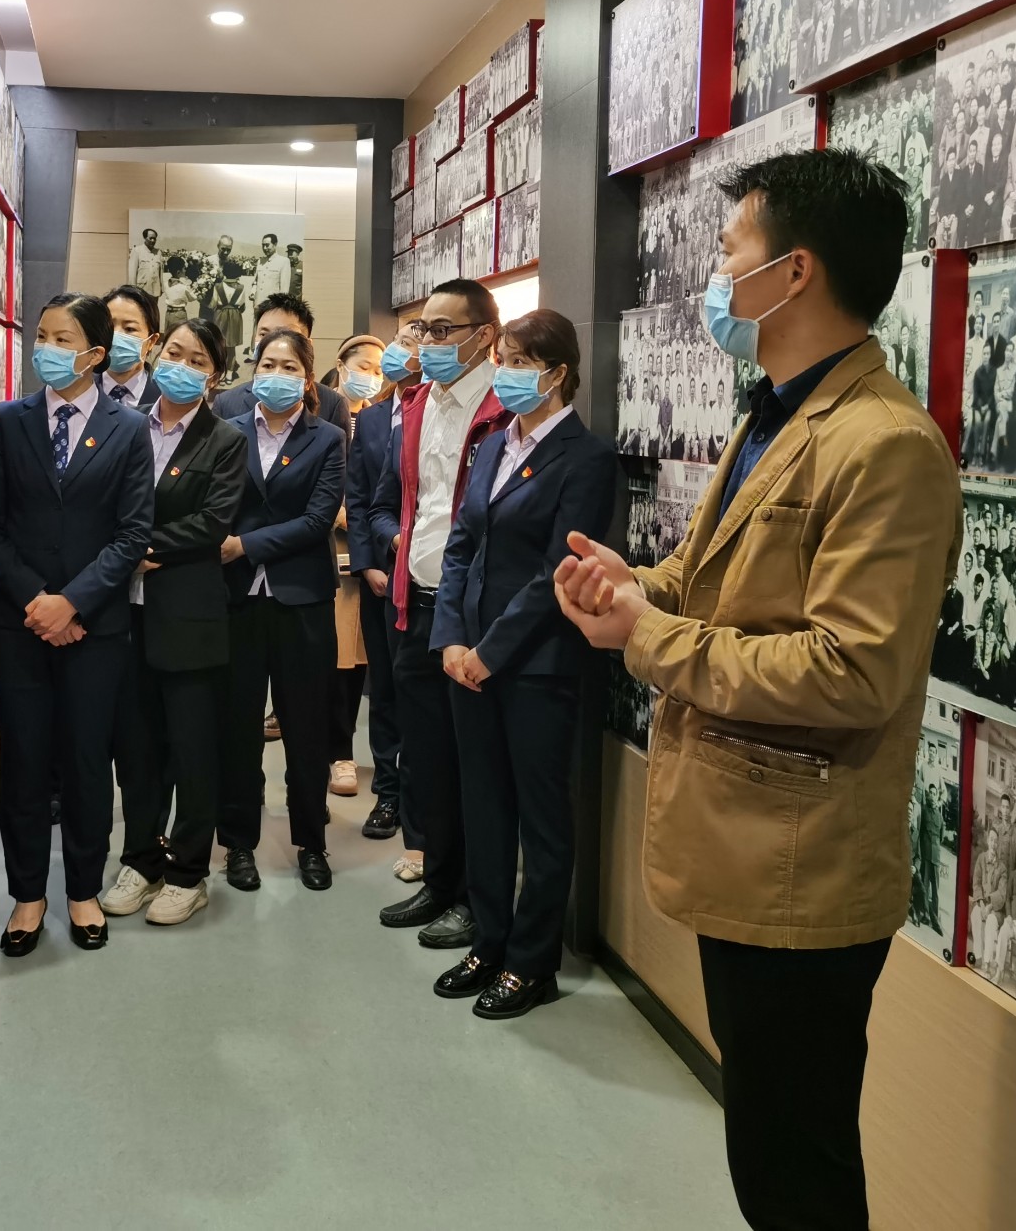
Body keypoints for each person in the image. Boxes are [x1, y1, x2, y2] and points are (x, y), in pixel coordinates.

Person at [554, 150, 961, 1230]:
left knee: (795, 1171)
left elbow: (851, 670)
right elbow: (712, 585)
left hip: (802, 869)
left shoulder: (886, 446)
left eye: (730, 248)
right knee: (769, 1150)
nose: (716, 273)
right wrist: (631, 587)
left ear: (793, 272)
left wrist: (647, 636)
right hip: (743, 847)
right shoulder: (774, 414)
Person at [430, 310, 616, 1019]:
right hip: (467, 660)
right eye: (502, 359)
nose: (504, 373)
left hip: (536, 666)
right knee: (484, 808)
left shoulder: (585, 458)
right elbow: (460, 547)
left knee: (540, 818)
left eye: (518, 362)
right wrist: (452, 639)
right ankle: (489, 940)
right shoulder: (492, 445)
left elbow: (555, 574)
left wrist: (490, 652)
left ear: (557, 373)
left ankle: (532, 962)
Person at [0, 293, 155, 956]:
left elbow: (132, 534)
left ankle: (81, 890)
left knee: (84, 760)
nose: (45, 348)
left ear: (95, 354)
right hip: (18, 625)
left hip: (94, 629)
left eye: (62, 339)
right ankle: (27, 896)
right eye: (41, 336)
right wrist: (38, 602)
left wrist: (72, 604)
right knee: (23, 759)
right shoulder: (9, 420)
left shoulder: (129, 429)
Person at [373, 278, 511, 950]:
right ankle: (439, 878)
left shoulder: (504, 408)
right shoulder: (418, 403)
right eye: (421, 329)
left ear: (483, 336)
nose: (424, 341)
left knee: (475, 767)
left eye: (440, 330)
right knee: (426, 757)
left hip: (472, 615)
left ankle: (477, 902)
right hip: (415, 602)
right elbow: (400, 501)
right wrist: (397, 549)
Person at [99, 318, 248, 927]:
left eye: (198, 359)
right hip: (122, 614)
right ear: (157, 353)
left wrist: (138, 545)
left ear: (214, 375)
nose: (181, 365)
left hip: (187, 614)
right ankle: (140, 860)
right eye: (175, 352)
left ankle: (188, 871)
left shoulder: (226, 439)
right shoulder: (127, 425)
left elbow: (213, 523)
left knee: (192, 750)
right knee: (136, 750)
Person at [216, 327, 346, 892]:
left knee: (306, 728)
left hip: (302, 600)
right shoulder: (226, 430)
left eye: (289, 367)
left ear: (307, 378)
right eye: (267, 364)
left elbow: (318, 521)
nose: (277, 375)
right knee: (237, 727)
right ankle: (238, 843)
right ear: (254, 372)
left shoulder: (328, 438)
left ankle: (311, 842)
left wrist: (244, 544)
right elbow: (215, 504)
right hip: (237, 601)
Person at [346, 329, 421, 844]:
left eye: (414, 341)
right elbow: (358, 497)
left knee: (422, 690)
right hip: (381, 574)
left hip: (429, 578)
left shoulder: (439, 413)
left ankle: (422, 794)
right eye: (401, 338)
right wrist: (368, 564)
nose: (401, 349)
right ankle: (388, 791)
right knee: (386, 689)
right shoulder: (373, 419)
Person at [323, 334, 388, 798]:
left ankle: (346, 751)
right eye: (362, 366)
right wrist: (342, 514)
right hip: (325, 550)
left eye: (378, 370)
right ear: (342, 364)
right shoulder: (322, 412)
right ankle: (335, 752)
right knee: (333, 658)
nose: (370, 376)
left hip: (367, 556)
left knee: (359, 659)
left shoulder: (380, 419)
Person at [211, 293, 352, 435]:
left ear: (308, 345)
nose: (274, 342)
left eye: (286, 334)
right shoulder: (226, 403)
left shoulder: (333, 404)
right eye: (264, 334)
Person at [101, 283, 161, 409]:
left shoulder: (163, 396)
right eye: (109, 327)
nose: (115, 335)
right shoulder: (77, 387)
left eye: (130, 329)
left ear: (151, 341)